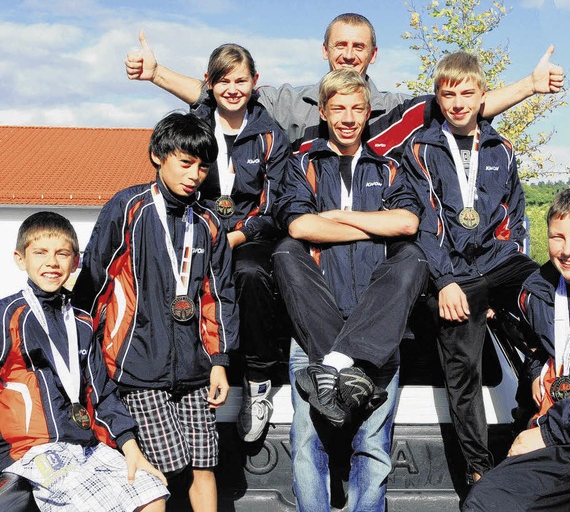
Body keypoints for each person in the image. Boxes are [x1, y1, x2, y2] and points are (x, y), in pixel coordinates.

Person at [272, 69, 428, 511]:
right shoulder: (303, 164)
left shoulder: (392, 165)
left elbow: (406, 223)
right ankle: (337, 358)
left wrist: (337, 218)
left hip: (377, 336)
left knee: (372, 450)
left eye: (356, 109)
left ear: (367, 113)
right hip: (314, 333)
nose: (347, 117)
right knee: (307, 448)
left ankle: (344, 359)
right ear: (322, 112)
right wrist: (368, 223)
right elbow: (300, 225)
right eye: (338, 108)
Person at [73, 112, 238, 512]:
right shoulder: (127, 207)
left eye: (202, 166)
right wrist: (82, 357)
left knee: (203, 466)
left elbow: (220, 297)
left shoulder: (210, 222)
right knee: (159, 472)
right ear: (157, 156)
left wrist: (219, 362)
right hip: (138, 366)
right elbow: (94, 283)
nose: (195, 175)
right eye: (185, 163)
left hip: (197, 370)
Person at [124, 14, 565, 159]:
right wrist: (157, 73)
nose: (349, 54)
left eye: (359, 47)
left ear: (374, 55)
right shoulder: (289, 102)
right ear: (325, 51)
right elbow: (222, 92)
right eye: (341, 46)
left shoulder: (395, 108)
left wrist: (529, 84)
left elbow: (465, 106)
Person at [403, 51, 539, 484]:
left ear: (483, 95)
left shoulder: (502, 149)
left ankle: (537, 422)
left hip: (495, 269)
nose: (459, 102)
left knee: (545, 293)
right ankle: (479, 471)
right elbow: (426, 227)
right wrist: (445, 282)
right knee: (463, 363)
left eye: (467, 92)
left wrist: (499, 280)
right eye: (449, 94)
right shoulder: (420, 149)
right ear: (438, 99)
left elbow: (514, 220)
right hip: (452, 278)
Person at [463, 187, 570, 511]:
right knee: (486, 501)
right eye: (558, 237)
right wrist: (534, 371)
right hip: (564, 424)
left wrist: (549, 432)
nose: (568, 249)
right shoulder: (534, 293)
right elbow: (535, 345)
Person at [1, 211, 168, 511]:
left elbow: (102, 392)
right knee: (86, 502)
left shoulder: (81, 322)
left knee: (151, 491)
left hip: (84, 446)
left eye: (62, 253)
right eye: (40, 253)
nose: (51, 262)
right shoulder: (7, 315)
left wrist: (132, 449)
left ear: (75, 262)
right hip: (31, 450)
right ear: (20, 259)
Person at [190, 43, 289, 443]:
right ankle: (190, 383)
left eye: (241, 80)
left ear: (254, 82)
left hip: (250, 234)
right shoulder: (191, 127)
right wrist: (206, 235)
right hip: (198, 231)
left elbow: (274, 204)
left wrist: (236, 236)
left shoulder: (271, 135)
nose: (232, 88)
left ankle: (257, 380)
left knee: (248, 272)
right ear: (209, 83)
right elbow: (180, 184)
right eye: (224, 80)